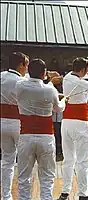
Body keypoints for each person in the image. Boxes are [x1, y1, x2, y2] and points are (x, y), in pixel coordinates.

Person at [15, 59, 66, 200]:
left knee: (24, 178)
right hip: (46, 137)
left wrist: (46, 77)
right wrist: (63, 101)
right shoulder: (50, 89)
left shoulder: (20, 86)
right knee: (47, 177)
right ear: (43, 72)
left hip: (26, 136)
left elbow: (25, 79)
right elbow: (58, 109)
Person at [58, 57, 88, 200]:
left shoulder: (67, 78)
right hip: (80, 122)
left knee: (68, 158)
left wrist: (86, 71)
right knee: (83, 159)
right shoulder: (82, 81)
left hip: (66, 122)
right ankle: (83, 192)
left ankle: (65, 191)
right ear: (83, 69)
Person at [0, 52, 29, 200]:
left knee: (7, 161)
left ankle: (6, 196)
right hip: (18, 122)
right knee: (24, 161)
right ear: (21, 65)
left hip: (2, 121)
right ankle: (23, 196)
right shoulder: (22, 81)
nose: (27, 68)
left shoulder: (1, 76)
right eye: (26, 65)